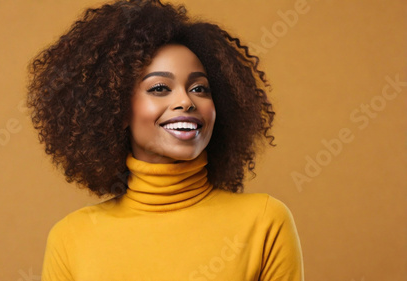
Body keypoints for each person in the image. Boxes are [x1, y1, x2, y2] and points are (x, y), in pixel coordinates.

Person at [27, 0, 304, 280]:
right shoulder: (71, 238)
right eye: (160, 88)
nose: (185, 101)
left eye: (199, 88)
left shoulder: (265, 222)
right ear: (117, 109)